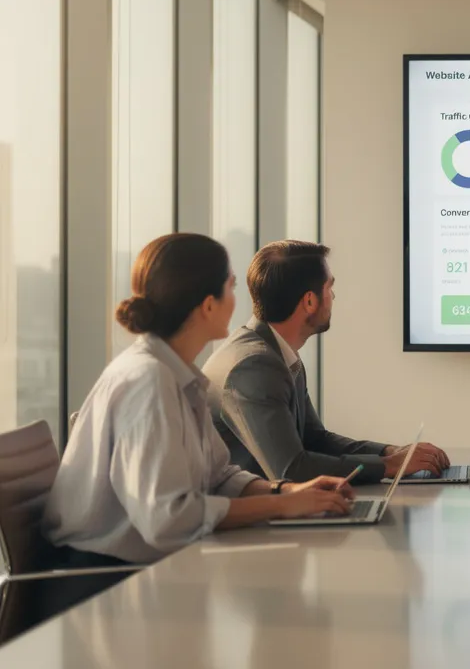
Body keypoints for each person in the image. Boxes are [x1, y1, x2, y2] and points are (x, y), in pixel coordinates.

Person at [44, 234, 354, 566]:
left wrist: (288, 491)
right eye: (232, 288)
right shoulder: (149, 382)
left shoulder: (175, 374)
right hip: (102, 580)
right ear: (208, 305)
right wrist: (281, 506)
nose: (241, 302)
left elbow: (218, 476)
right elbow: (168, 519)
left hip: (152, 565)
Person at [204, 241, 450, 484]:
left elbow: (314, 438)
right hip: (249, 516)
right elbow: (291, 470)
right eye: (329, 287)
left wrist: (389, 452)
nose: (333, 296)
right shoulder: (254, 366)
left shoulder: (275, 351)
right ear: (310, 302)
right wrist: (389, 466)